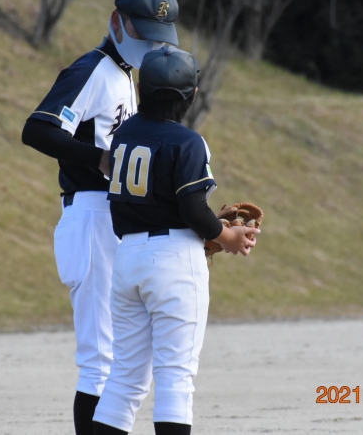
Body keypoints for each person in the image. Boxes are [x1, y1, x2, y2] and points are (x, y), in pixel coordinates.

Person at [21, 0, 180, 435]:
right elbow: (38, 129)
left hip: (111, 217)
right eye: (143, 31)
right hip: (90, 214)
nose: (152, 44)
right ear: (116, 22)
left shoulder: (126, 76)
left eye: (159, 36)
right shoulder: (93, 69)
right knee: (101, 362)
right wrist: (99, 158)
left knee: (124, 360)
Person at [91, 47, 259, 435]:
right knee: (175, 378)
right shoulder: (188, 142)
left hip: (128, 256)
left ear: (141, 90)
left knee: (124, 378)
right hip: (174, 260)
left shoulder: (122, 135)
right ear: (193, 95)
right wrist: (227, 237)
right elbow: (192, 209)